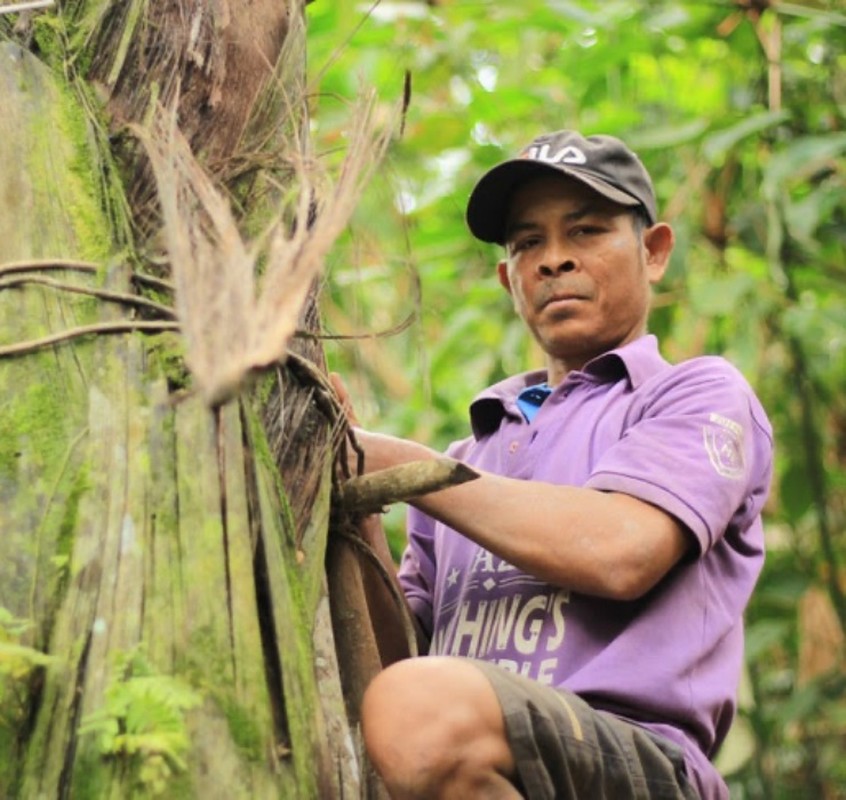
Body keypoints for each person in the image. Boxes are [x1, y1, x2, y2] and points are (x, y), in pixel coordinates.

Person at [334, 130, 773, 800]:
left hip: (642, 763)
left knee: (423, 707)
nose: (555, 260)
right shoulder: (471, 455)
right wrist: (361, 496)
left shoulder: (695, 395)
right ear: (509, 279)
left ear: (654, 253)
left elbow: (622, 551)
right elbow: (397, 678)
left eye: (587, 230)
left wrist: (405, 464)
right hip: (475, 754)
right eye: (528, 243)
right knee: (407, 712)